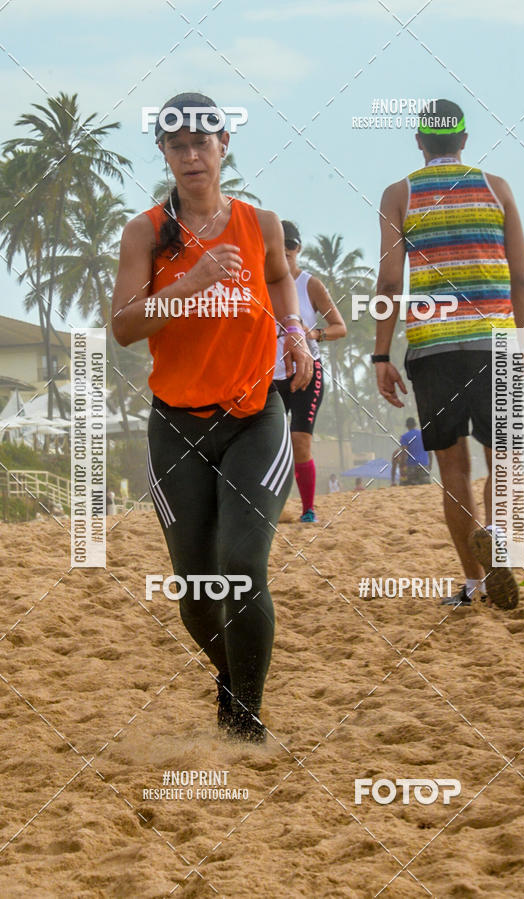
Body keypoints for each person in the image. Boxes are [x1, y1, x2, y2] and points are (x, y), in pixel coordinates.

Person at [111, 92, 313, 743]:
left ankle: (246, 717)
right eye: (178, 146)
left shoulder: (261, 223)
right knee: (197, 590)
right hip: (176, 425)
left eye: (202, 142)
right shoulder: (146, 232)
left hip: (255, 417)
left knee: (242, 566)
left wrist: (294, 332)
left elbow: (279, 279)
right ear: (164, 152)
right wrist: (188, 283)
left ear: (224, 145)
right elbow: (124, 327)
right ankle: (230, 678)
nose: (192, 156)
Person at [373, 99, 524, 610]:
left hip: (433, 348)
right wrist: (521, 342)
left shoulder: (399, 194)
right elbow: (522, 279)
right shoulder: (497, 188)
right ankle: (500, 540)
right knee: (503, 461)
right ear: (464, 140)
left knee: (453, 468)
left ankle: (474, 583)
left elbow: (390, 283)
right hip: (496, 341)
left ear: (419, 142)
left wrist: (381, 355)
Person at [272, 221, 346, 523]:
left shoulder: (309, 284)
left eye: (290, 245)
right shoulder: (259, 283)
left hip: (306, 372)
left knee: (300, 442)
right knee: (271, 446)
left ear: (298, 248)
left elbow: (339, 327)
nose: (285, 251)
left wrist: (312, 334)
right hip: (270, 376)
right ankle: (273, 509)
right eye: (280, 245)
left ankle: (308, 510)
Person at [398, 417, 431, 485]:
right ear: (415, 425)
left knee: (411, 487)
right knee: (425, 487)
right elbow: (430, 451)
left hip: (411, 465)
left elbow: (404, 452)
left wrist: (402, 464)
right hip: (424, 464)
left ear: (407, 426)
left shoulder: (404, 437)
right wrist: (430, 464)